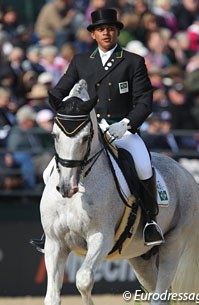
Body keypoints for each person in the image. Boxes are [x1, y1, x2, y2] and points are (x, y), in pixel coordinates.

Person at [30, 8, 164, 252]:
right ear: (93, 34)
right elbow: (61, 90)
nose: (106, 33)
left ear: (117, 32)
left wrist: (126, 124)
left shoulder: (133, 61)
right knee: (50, 171)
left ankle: (150, 221)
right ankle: (49, 229)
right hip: (87, 129)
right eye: (101, 29)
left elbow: (145, 101)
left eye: (110, 29)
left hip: (121, 131)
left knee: (143, 166)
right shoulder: (81, 61)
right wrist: (59, 105)